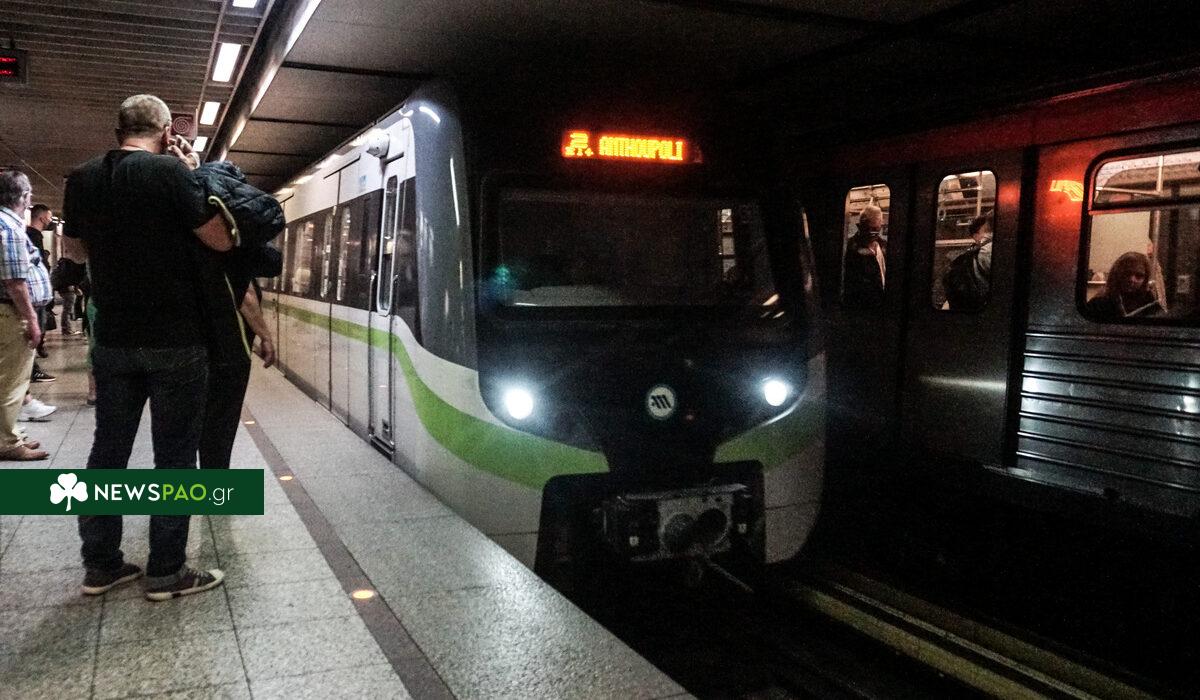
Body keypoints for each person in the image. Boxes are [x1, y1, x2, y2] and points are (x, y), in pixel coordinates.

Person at [64, 94, 234, 600]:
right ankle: (166, 571)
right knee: (175, 457)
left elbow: (75, 252)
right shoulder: (172, 173)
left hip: (114, 338)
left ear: (118, 131)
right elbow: (221, 240)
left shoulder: (83, 177)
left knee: (107, 452)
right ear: (165, 133)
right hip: (176, 338)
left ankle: (101, 565)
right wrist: (194, 175)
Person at [0, 169, 52, 460]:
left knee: (8, 378)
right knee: (11, 381)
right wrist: (32, 319)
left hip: (8, 310)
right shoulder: (8, 227)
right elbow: (15, 282)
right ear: (23, 197)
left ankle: (11, 434)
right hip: (10, 312)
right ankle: (7, 442)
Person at [1085, 252, 1163, 321]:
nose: (1132, 280)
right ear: (1116, 274)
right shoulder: (1099, 302)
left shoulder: (1148, 300)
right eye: (1127, 273)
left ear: (1145, 280)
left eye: (1139, 276)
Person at [25, 204, 56, 374]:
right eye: (49, 217)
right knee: (37, 328)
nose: (50, 221)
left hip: (36, 292)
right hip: (34, 293)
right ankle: (32, 369)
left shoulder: (32, 235)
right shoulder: (33, 236)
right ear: (42, 217)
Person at [943, 214, 994, 312]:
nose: (990, 233)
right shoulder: (987, 251)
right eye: (987, 230)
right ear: (976, 236)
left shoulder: (971, 255)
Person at [842, 204, 887, 308]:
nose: (871, 233)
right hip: (863, 305)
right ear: (860, 226)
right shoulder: (850, 248)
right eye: (867, 229)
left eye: (875, 229)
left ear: (881, 225)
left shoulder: (884, 245)